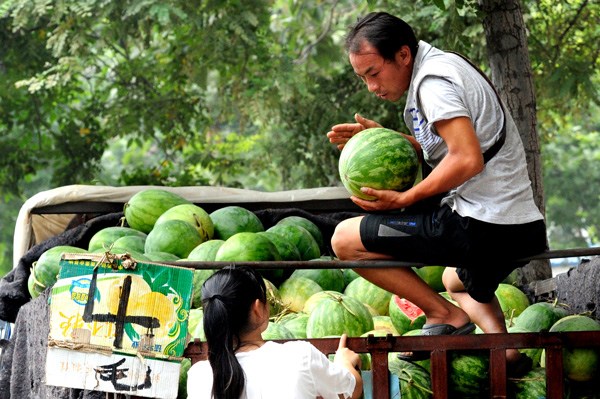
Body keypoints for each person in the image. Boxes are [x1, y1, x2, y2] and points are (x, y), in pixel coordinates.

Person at [326, 12, 546, 374]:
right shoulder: (444, 66)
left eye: (374, 74)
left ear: (402, 55)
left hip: (482, 224)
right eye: (363, 78)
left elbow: (467, 158)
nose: (372, 87)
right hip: (519, 226)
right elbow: (453, 150)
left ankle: (444, 314)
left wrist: (404, 200)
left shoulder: (433, 84)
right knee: (453, 279)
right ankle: (504, 350)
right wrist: (390, 140)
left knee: (345, 240)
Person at [186, 265, 363, 399]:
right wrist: (344, 362)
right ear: (257, 309)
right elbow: (351, 389)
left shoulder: (198, 376)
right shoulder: (299, 355)